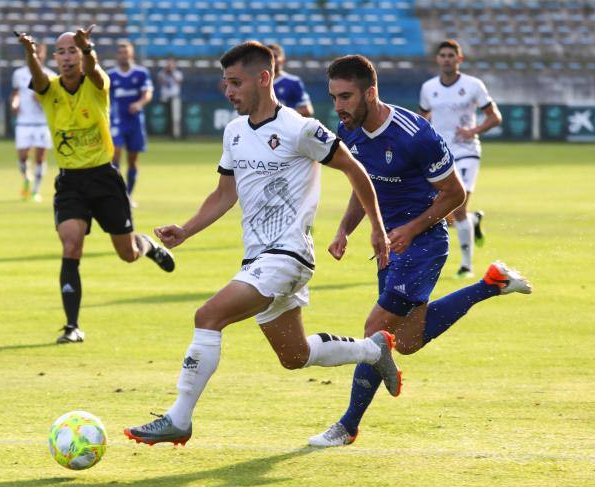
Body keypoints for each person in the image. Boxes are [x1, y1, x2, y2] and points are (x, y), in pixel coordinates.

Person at [124, 42, 397, 447]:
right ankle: (373, 351)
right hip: (258, 256)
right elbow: (223, 195)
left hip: (288, 254)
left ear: (264, 78)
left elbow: (355, 169)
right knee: (295, 356)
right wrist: (186, 230)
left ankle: (178, 418)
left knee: (208, 316)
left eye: (235, 83)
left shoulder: (299, 127)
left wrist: (375, 228)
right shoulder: (234, 132)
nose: (228, 91)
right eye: (225, 83)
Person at [307, 55, 531, 448]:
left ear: (370, 93)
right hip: (390, 245)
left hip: (424, 242)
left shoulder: (415, 134)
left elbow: (455, 195)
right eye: (334, 97)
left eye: (346, 96)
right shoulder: (353, 133)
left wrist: (410, 229)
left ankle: (347, 426)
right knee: (407, 341)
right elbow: (365, 189)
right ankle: (490, 284)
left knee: (375, 330)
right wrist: (344, 229)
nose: (338, 106)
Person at [15, 26, 175, 344]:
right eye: (61, 51)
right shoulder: (50, 89)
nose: (66, 56)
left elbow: (96, 72)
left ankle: (145, 244)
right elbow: (38, 78)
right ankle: (72, 326)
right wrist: (30, 54)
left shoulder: (95, 85)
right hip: (71, 182)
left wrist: (88, 49)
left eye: (72, 50)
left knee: (127, 254)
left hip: (104, 178)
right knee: (71, 245)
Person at [419, 39, 502, 278]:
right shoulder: (428, 88)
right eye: (443, 55)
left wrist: (473, 131)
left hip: (467, 151)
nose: (447, 59)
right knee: (444, 212)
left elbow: (494, 116)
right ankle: (473, 221)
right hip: (440, 154)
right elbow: (421, 119)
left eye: (451, 55)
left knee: (458, 206)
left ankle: (466, 265)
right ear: (438, 59)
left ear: (459, 59)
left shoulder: (473, 85)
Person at [106, 40, 153, 204]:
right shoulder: (110, 75)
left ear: (131, 53)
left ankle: (128, 195)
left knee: (133, 160)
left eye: (126, 52)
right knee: (115, 157)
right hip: (117, 122)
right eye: (120, 52)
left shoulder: (141, 73)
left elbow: (147, 93)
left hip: (135, 122)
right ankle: (117, 195)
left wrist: (139, 104)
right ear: (117, 55)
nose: (123, 55)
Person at [10, 42, 54, 202]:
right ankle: (27, 178)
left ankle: (36, 190)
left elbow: (54, 101)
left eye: (40, 53)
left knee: (40, 157)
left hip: (42, 123)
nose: (37, 56)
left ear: (44, 55)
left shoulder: (50, 75)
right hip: (24, 122)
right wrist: (14, 104)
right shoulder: (19, 74)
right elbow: (15, 93)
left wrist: (42, 99)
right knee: (22, 157)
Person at [268, 43, 313, 117]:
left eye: (275, 56)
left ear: (283, 59)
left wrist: (278, 114)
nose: (271, 60)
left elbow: (307, 110)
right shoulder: (258, 83)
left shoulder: (293, 82)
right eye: (268, 57)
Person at [157, 57, 184, 139]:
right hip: (165, 98)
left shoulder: (177, 73)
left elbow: (179, 82)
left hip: (174, 97)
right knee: (166, 118)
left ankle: (176, 134)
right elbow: (160, 82)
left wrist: (171, 73)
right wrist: (166, 73)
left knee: (175, 117)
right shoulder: (162, 73)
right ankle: (166, 134)